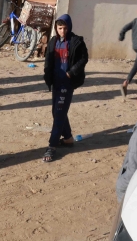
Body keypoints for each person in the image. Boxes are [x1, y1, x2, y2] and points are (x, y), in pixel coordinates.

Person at [41, 14, 88, 162]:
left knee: (59, 113)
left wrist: (72, 72)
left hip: (67, 83)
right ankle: (67, 138)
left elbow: (83, 58)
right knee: (56, 111)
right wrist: (47, 77)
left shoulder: (76, 41)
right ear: (56, 28)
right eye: (60, 28)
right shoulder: (53, 42)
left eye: (65, 28)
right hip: (56, 82)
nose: (63, 31)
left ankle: (52, 146)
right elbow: (48, 61)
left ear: (69, 27)